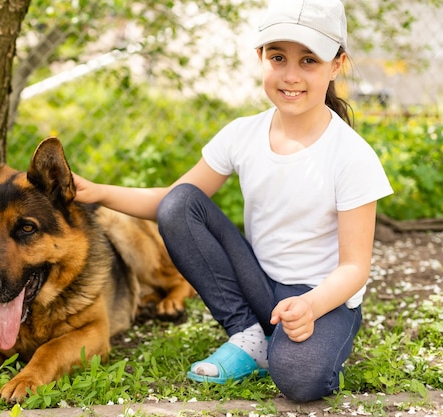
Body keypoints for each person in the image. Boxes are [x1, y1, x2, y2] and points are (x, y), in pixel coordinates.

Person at [72, 0, 393, 402]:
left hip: (323, 298)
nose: (291, 75)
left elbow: (354, 268)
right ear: (260, 57)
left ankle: (283, 345)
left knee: (299, 378)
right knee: (180, 203)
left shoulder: (351, 155)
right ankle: (249, 335)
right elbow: (171, 202)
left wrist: (310, 306)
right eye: (278, 57)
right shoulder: (243, 134)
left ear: (336, 65)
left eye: (309, 60)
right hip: (258, 282)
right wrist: (99, 192)